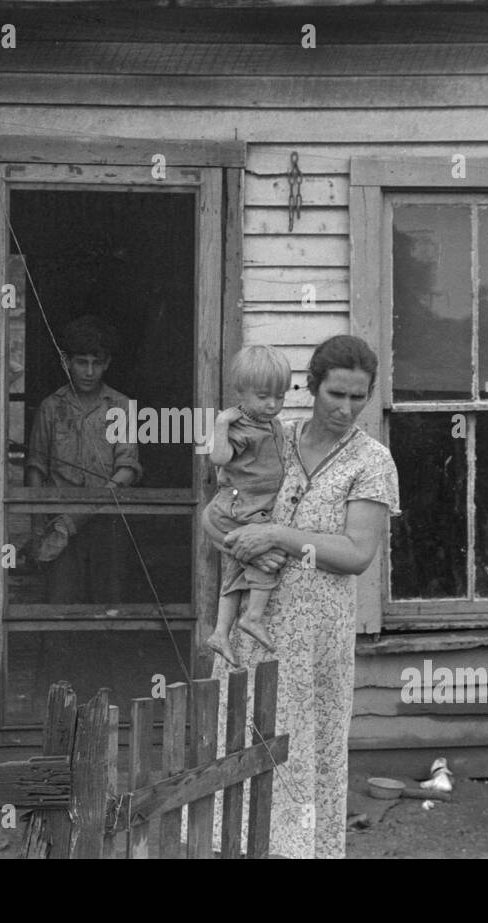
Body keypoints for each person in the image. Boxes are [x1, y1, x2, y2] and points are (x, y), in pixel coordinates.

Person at [204, 335, 401, 859]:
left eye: (358, 397)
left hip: (315, 637)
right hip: (254, 626)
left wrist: (278, 539)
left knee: (305, 755)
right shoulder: (272, 437)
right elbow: (224, 505)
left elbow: (357, 552)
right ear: (311, 388)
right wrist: (233, 538)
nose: (346, 408)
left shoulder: (371, 461)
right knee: (243, 750)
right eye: (335, 394)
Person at [24, 316, 142, 603]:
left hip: (107, 521)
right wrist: (39, 525)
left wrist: (78, 517)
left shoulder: (122, 406)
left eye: (96, 362)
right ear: (67, 362)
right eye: (81, 362)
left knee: (109, 601)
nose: (89, 371)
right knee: (60, 599)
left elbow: (126, 471)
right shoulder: (51, 407)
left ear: (107, 363)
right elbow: (35, 469)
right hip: (58, 521)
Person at [203, 345, 291, 667]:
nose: (272, 404)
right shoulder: (239, 426)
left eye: (280, 397)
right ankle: (253, 617)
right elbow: (218, 458)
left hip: (255, 507)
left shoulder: (273, 424)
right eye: (264, 396)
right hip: (240, 509)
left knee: (236, 570)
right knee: (265, 562)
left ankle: (220, 632)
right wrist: (222, 424)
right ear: (242, 393)